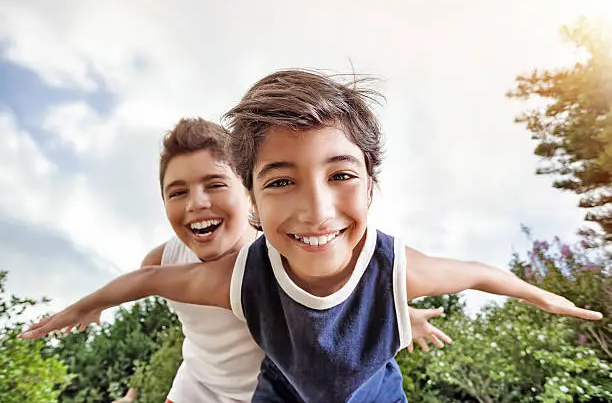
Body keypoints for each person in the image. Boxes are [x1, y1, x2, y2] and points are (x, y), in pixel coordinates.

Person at [21, 70, 602, 403]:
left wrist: (543, 297)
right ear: (258, 194)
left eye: (341, 175)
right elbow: (143, 281)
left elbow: (476, 272)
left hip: (361, 387)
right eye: (282, 182)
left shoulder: (383, 262)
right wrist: (85, 307)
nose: (315, 210)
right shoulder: (224, 272)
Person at [45, 117, 451, 403]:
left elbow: (356, 289)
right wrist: (96, 303)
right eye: (177, 191)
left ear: (249, 192)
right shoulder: (163, 259)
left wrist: (402, 314)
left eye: (215, 184)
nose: (197, 204)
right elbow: (136, 284)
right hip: (195, 391)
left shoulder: (286, 251)